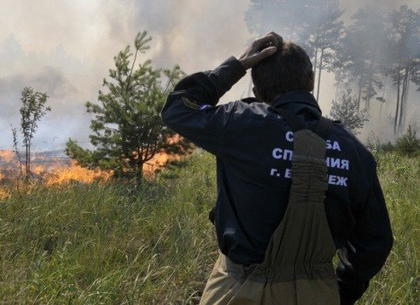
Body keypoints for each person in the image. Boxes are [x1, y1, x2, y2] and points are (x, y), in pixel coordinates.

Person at [161, 32, 393, 305]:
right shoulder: (355, 151)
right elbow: (375, 242)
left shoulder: (241, 125)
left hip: (237, 291)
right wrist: (337, 291)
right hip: (318, 294)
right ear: (311, 82)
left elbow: (179, 106)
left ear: (257, 92)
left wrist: (238, 64)